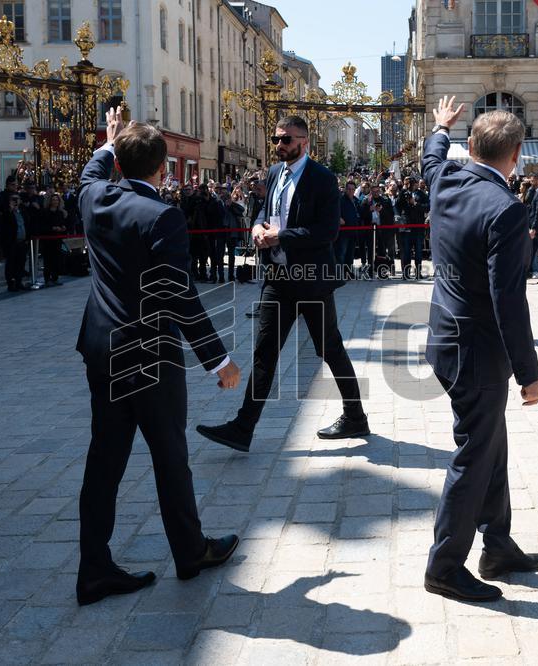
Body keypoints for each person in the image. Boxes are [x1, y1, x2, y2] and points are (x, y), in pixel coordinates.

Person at [75, 110, 242, 606]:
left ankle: (93, 568)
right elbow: (177, 295)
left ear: (119, 164)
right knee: (170, 457)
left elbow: (90, 172)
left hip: (102, 351)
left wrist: (109, 142)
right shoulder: (162, 216)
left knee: (104, 459)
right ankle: (190, 553)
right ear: (164, 169)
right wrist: (218, 360)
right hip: (150, 356)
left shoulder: (95, 198)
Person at [421, 98, 538, 603]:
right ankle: (444, 566)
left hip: (445, 341)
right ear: (516, 154)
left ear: (469, 147)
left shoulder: (445, 180)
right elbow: (507, 299)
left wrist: (438, 127)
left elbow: (431, 158)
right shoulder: (506, 209)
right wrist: (528, 373)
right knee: (476, 453)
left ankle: (497, 545)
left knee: (490, 442)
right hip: (477, 350)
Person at [195, 115, 369, 452]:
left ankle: (355, 416)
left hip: (311, 281)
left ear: (303, 141)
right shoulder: (274, 173)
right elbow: (264, 212)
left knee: (329, 349)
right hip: (277, 279)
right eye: (276, 139)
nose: (279, 145)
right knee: (264, 352)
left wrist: (281, 236)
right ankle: (243, 428)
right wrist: (259, 228)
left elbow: (328, 232)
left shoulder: (321, 178)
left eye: (286, 139)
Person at [40, 193, 69, 285]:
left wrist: (63, 227)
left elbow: (62, 223)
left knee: (57, 259)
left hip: (57, 239)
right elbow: (43, 226)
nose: (55, 201)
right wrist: (52, 228)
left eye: (57, 200)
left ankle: (55, 277)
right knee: (48, 259)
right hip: (47, 240)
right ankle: (47, 279)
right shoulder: (45, 212)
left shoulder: (60, 213)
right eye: (53, 200)